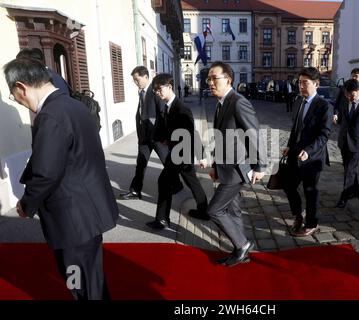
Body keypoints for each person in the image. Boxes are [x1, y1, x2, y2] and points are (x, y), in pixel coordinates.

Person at [4, 58, 118, 300]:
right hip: (89, 210)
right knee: (92, 279)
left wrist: (27, 204)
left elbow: (46, 173)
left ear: (22, 87)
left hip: (72, 218)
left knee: (78, 283)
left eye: (14, 96)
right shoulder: (75, 106)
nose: (18, 101)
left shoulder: (50, 116)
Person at [206, 61, 266, 267]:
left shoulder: (238, 101)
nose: (210, 83)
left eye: (215, 78)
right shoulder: (221, 103)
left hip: (236, 169)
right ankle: (241, 250)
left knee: (213, 210)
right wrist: (215, 165)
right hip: (224, 167)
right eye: (209, 79)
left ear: (228, 79)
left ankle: (242, 245)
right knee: (233, 211)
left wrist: (260, 166)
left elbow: (254, 134)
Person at [146, 73, 209, 230]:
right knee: (192, 182)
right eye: (155, 90)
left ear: (169, 87)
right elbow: (163, 127)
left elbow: (192, 133)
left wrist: (201, 156)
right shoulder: (167, 106)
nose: (157, 92)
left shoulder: (181, 109)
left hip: (180, 154)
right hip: (176, 152)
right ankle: (203, 211)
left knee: (164, 182)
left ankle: (162, 220)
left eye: (159, 89)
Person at [283, 67, 333, 237]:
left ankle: (312, 223)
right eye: (299, 82)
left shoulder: (324, 106)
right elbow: (295, 128)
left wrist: (309, 151)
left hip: (313, 157)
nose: (301, 86)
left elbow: (324, 134)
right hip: (295, 153)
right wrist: (289, 145)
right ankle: (298, 214)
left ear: (316, 84)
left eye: (305, 83)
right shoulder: (299, 101)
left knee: (310, 191)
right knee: (289, 186)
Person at [120, 66, 182, 200]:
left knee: (167, 161)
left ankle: (177, 185)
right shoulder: (141, 92)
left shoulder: (155, 91)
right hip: (144, 137)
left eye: (137, 79)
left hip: (157, 136)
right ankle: (135, 190)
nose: (135, 82)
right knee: (140, 164)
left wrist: (164, 134)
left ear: (146, 77)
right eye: (134, 80)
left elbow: (162, 113)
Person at [335, 79, 359, 208]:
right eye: (346, 95)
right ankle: (355, 191)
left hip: (358, 142)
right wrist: (336, 118)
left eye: (352, 95)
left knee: (350, 170)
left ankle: (344, 196)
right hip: (343, 140)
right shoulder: (345, 100)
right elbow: (342, 119)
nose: (349, 97)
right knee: (347, 167)